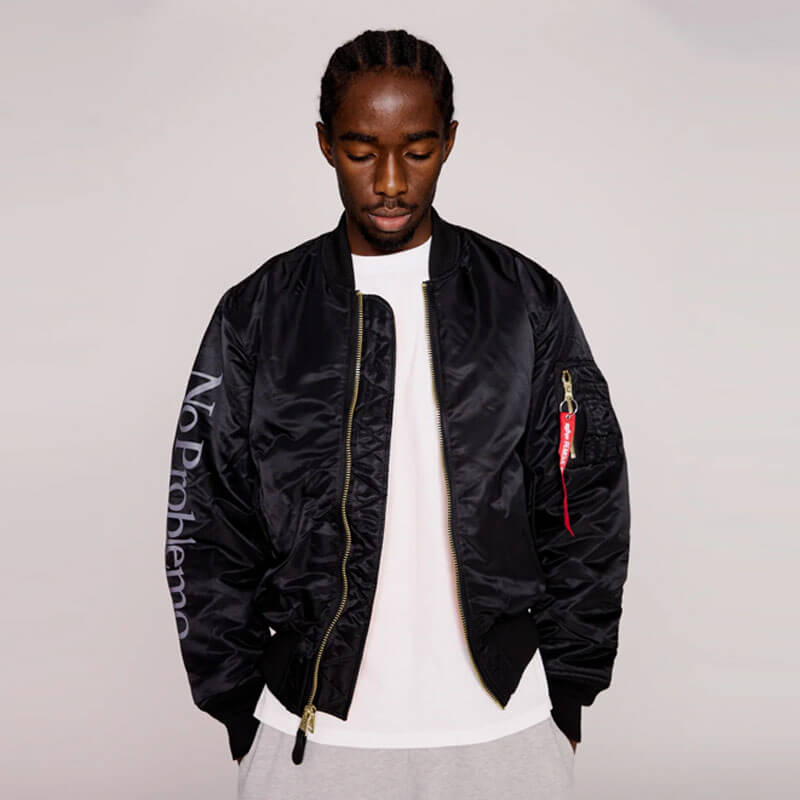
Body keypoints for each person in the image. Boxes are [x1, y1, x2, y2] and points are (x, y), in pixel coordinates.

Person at [164, 28, 630, 800]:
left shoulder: (525, 300)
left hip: (505, 726)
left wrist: (570, 688)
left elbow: (587, 502)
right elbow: (205, 519)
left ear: (449, 141)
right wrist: (239, 702)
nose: (389, 181)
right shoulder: (258, 313)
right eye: (360, 151)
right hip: (310, 730)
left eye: (416, 151)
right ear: (325, 144)